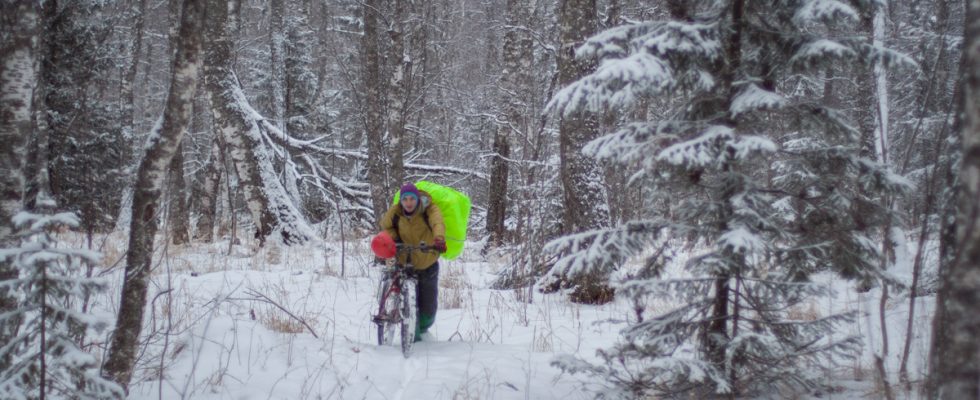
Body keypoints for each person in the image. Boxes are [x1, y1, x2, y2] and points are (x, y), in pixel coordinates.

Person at [379, 183, 446, 341]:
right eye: (405, 199)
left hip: (427, 261)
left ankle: (423, 330)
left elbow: (438, 223)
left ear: (418, 199)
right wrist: (393, 239)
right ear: (401, 201)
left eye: (412, 199)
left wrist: (439, 239)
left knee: (428, 308)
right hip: (404, 261)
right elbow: (385, 226)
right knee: (410, 304)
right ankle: (412, 337)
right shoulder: (395, 212)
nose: (409, 203)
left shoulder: (429, 209)